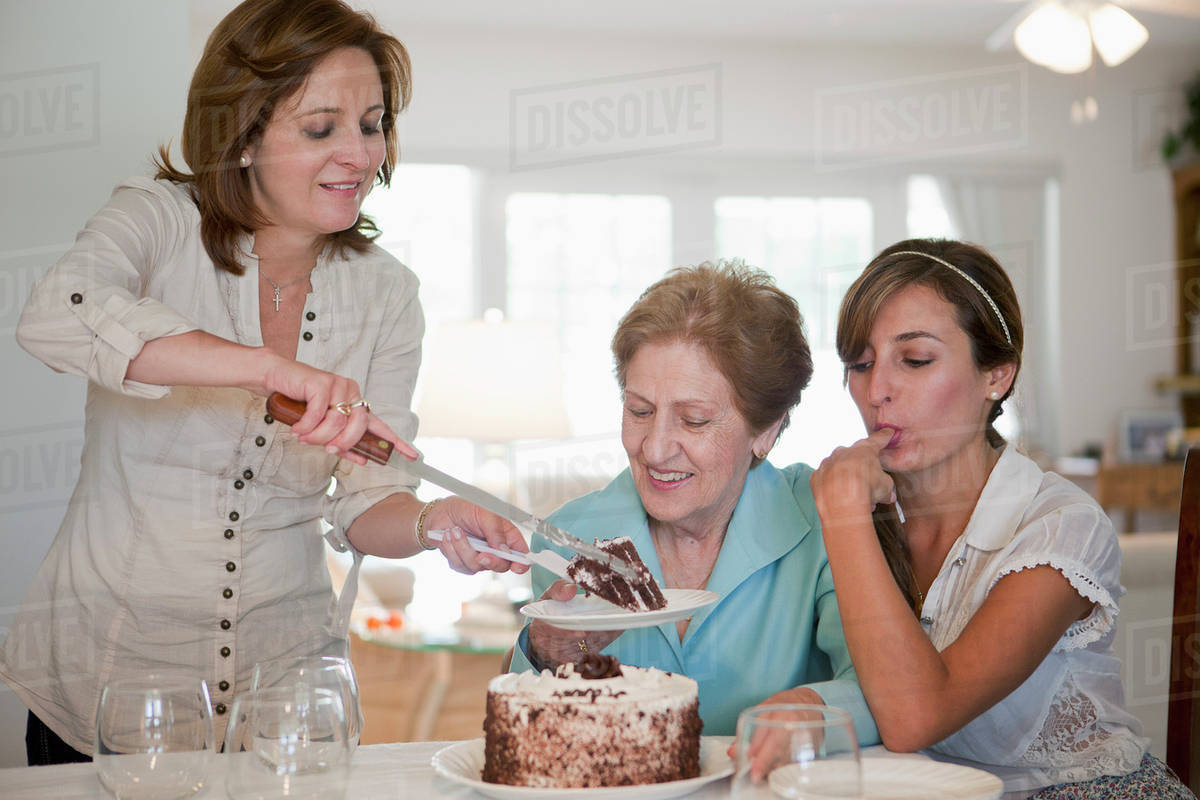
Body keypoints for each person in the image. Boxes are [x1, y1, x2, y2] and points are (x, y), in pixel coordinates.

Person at [2, 0, 527, 766]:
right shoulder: (155, 222)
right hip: (110, 684)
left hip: (289, 694)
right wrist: (268, 368)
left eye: (373, 124)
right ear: (242, 136)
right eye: (321, 128)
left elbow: (366, 497)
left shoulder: (386, 293)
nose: (359, 154)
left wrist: (429, 521)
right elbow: (54, 316)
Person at [805, 239, 1192, 797]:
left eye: (914, 360)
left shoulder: (1062, 529)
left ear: (998, 377)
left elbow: (917, 717)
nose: (877, 391)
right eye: (860, 365)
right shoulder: (865, 511)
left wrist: (843, 518)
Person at [508, 261, 876, 741]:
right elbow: (526, 731)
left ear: (766, 429)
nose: (655, 448)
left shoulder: (823, 518)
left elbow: (884, 691)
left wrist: (812, 710)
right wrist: (543, 654)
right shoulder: (567, 536)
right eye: (640, 410)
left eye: (694, 420)